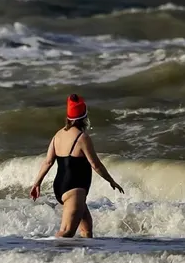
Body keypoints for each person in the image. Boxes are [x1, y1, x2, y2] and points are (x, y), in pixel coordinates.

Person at [28, 94, 123, 238]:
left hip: (61, 187)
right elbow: (95, 164)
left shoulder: (58, 135)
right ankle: (45, 255)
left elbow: (48, 161)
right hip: (74, 189)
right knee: (66, 232)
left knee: (86, 230)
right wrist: (111, 180)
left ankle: (87, 259)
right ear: (84, 117)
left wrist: (37, 183)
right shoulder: (82, 138)